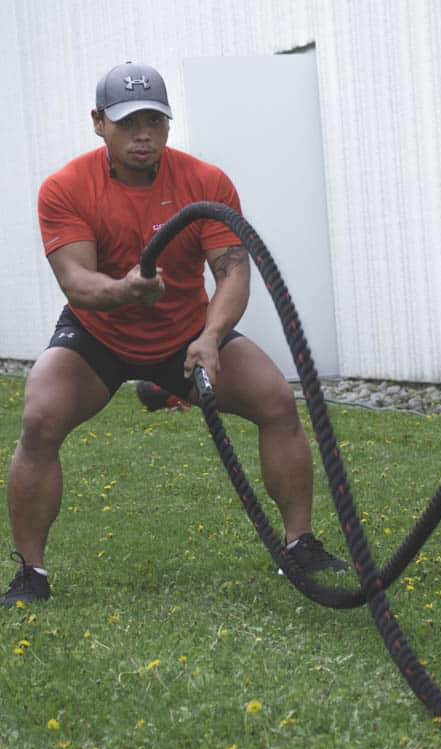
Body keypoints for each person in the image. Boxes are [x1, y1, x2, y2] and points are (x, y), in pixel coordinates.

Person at [1, 61, 346, 604]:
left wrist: (211, 337)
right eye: (129, 121)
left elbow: (233, 271)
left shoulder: (205, 182)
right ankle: (30, 574)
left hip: (187, 336)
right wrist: (127, 292)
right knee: (40, 417)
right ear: (98, 123)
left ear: (168, 124)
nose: (143, 134)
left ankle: (300, 545)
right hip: (99, 337)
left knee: (278, 400)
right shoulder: (65, 188)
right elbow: (78, 282)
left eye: (155, 122)